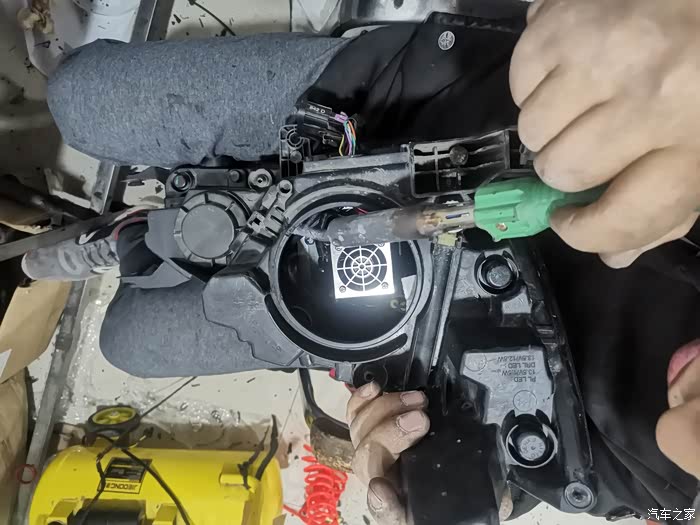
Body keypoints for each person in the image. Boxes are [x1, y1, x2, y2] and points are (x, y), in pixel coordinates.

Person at [29, 0, 700, 522]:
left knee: (128, 339)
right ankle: (145, 232)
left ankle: (127, 239)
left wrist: (470, 483)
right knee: (83, 100)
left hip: (380, 329)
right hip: (402, 119)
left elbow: (588, 477)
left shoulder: (678, 486)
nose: (677, 417)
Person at [348, 0, 700, 523]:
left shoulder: (677, 493)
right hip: (429, 85)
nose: (674, 430)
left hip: (370, 266)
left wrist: (487, 476)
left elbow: (625, 487)